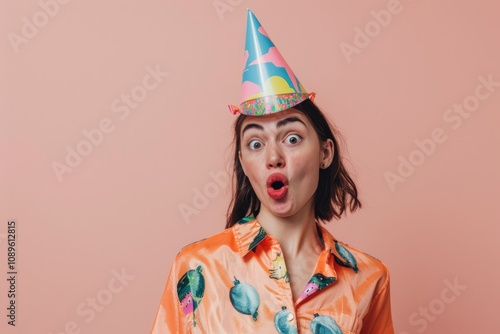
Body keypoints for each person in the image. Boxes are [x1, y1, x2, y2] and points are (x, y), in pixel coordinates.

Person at [151, 9, 394, 334]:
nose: (274, 156)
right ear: (243, 162)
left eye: (292, 138)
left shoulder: (368, 278)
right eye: (255, 143)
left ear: (325, 152)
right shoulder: (199, 267)